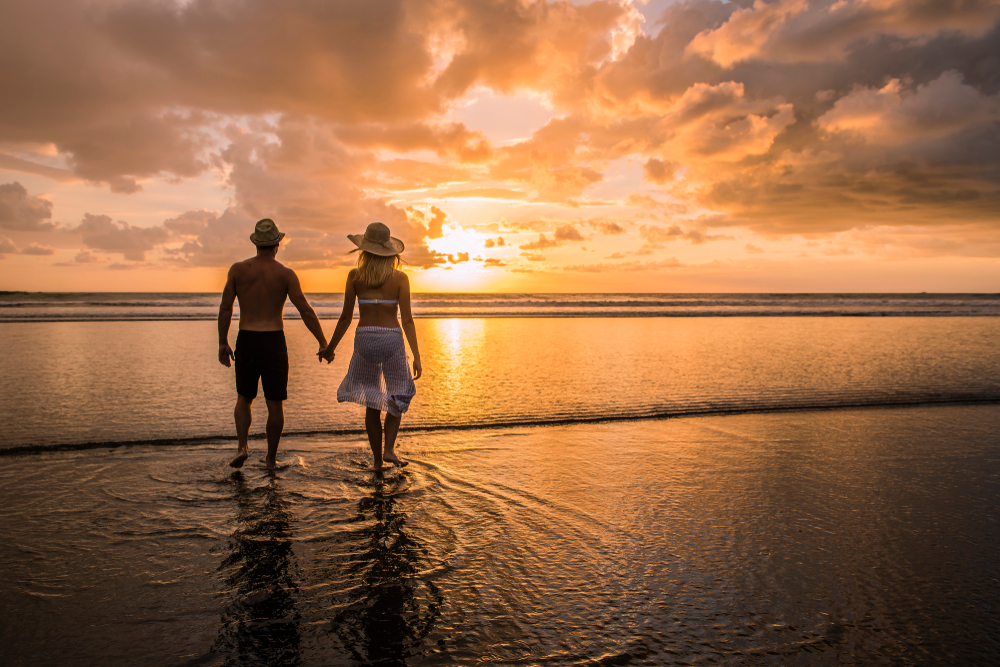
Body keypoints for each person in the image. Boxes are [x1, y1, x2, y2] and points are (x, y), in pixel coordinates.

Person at [218, 218, 328, 469]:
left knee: (244, 398)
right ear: (277, 244)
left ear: (256, 244)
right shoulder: (286, 274)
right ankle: (270, 460)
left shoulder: (237, 270)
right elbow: (305, 310)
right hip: (273, 341)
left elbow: (226, 307)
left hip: (247, 339)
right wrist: (322, 341)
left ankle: (242, 447)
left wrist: (222, 341)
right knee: (274, 404)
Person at [321, 222, 422, 470]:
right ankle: (389, 449)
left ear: (364, 250)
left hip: (365, 338)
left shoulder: (355, 276)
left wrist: (330, 347)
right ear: (390, 252)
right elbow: (407, 319)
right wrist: (417, 355)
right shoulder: (400, 278)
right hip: (391, 338)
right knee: (398, 394)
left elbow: (345, 317)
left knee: (372, 399)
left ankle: (377, 462)